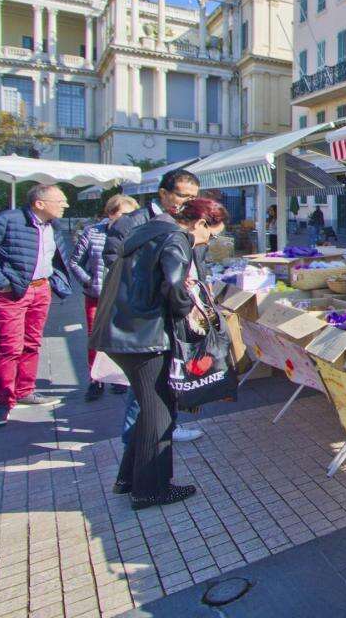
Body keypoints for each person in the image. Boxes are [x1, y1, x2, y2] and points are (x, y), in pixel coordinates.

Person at [90, 198, 228, 508]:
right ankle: (152, 489)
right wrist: (188, 311)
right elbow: (176, 285)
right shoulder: (175, 238)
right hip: (144, 336)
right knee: (159, 410)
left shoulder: (148, 232)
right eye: (212, 234)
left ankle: (129, 478)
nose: (209, 241)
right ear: (201, 223)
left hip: (123, 329)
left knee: (149, 407)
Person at [102, 168, 204, 444]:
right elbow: (115, 265)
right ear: (163, 193)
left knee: (160, 386)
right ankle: (136, 446)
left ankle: (159, 434)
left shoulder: (181, 222)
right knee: (143, 392)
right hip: (142, 322)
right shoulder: (132, 222)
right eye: (183, 195)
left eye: (193, 197)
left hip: (162, 318)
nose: (187, 202)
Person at [0, 184, 72, 428]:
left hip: (41, 289)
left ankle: (25, 390)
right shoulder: (8, 220)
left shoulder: (52, 226)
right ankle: (3, 401)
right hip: (13, 292)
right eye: (61, 201)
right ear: (40, 203)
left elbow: (55, 257)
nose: (65, 205)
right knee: (10, 346)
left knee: (32, 342)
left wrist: (56, 279)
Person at [69, 194, 138, 401]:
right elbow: (75, 262)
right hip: (97, 295)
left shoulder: (135, 234)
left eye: (131, 215)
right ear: (110, 213)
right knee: (95, 338)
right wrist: (89, 281)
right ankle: (95, 380)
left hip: (125, 297)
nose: (128, 219)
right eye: (123, 214)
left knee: (121, 339)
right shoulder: (93, 233)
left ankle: (118, 378)